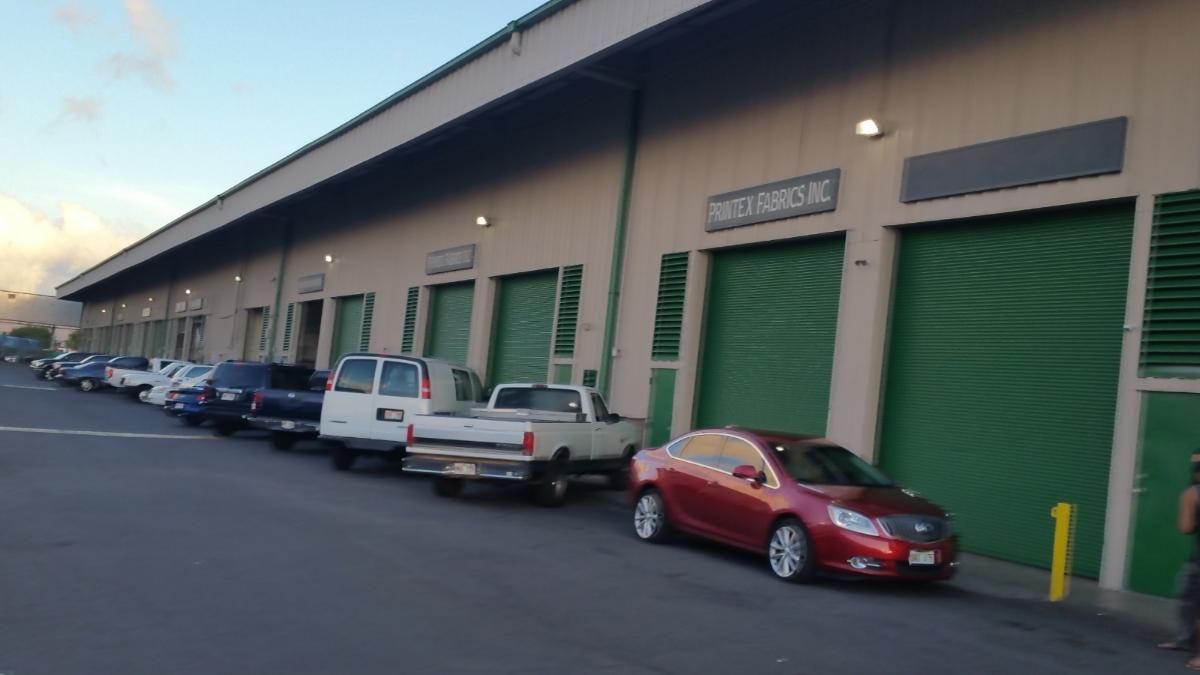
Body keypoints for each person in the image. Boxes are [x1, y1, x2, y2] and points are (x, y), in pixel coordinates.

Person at [1158, 453, 1200, 670]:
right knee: (1187, 598)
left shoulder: (1192, 493)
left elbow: (1185, 527)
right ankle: (1184, 640)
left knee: (1190, 601)